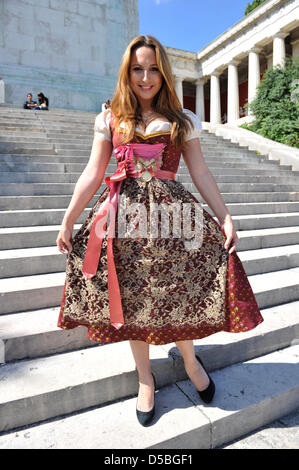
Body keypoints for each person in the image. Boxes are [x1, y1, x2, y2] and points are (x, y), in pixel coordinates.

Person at [56, 35, 264, 427]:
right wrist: (69, 218)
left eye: (153, 68)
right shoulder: (110, 117)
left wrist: (225, 216)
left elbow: (199, 171)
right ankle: (145, 379)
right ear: (127, 71)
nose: (145, 77)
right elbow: (92, 172)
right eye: (137, 68)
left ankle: (189, 360)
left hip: (173, 220)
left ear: (163, 72)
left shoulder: (183, 119)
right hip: (121, 222)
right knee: (132, 300)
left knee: (178, 293)